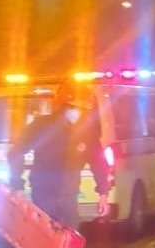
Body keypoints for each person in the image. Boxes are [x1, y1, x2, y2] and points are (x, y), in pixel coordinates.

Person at [8, 86, 111, 230]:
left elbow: (98, 162)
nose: (79, 113)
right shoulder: (41, 126)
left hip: (69, 195)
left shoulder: (86, 130)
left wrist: (103, 193)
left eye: (84, 109)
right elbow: (16, 153)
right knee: (45, 236)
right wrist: (17, 185)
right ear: (64, 106)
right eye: (75, 108)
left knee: (70, 237)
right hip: (44, 193)